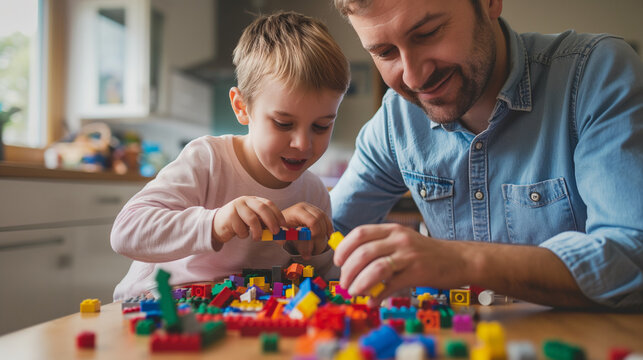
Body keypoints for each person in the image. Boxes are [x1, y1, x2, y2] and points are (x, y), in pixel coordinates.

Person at [329, 0, 643, 309]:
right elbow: (331, 236)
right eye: (385, 53)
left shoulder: (597, 74)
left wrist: (460, 259)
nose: (413, 78)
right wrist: (294, 229)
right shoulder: (396, 120)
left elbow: (631, 257)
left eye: (428, 32)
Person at [111, 11, 350, 300]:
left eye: (322, 126)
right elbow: (125, 232)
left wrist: (318, 251)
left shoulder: (313, 193)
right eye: (283, 123)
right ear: (241, 107)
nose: (303, 143)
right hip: (157, 304)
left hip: (241, 316)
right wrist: (216, 222)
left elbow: (323, 285)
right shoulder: (208, 160)